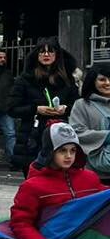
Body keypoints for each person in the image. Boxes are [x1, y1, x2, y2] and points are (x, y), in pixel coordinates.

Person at [9, 39, 76, 175]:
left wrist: (65, 109)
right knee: (33, 180)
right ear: (36, 55)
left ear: (57, 55)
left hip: (61, 135)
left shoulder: (67, 80)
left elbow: (77, 105)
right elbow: (12, 108)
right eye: (42, 51)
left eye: (50, 51)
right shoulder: (25, 79)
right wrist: (36, 109)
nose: (46, 55)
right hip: (32, 136)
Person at [69, 62, 110, 183]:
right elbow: (76, 131)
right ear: (93, 81)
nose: (107, 83)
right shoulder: (82, 104)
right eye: (102, 79)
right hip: (94, 170)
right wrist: (107, 136)